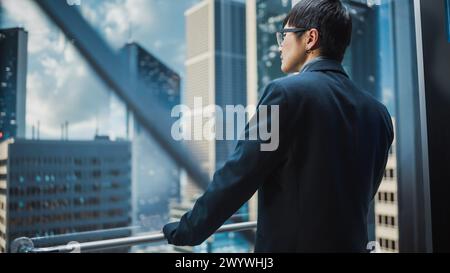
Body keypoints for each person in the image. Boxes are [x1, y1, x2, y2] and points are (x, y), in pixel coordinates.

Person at [163, 0, 394, 252]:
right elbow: (362, 194)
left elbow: (239, 174)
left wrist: (186, 230)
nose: (280, 45)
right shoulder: (378, 113)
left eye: (284, 35)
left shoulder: (284, 93)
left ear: (310, 38)